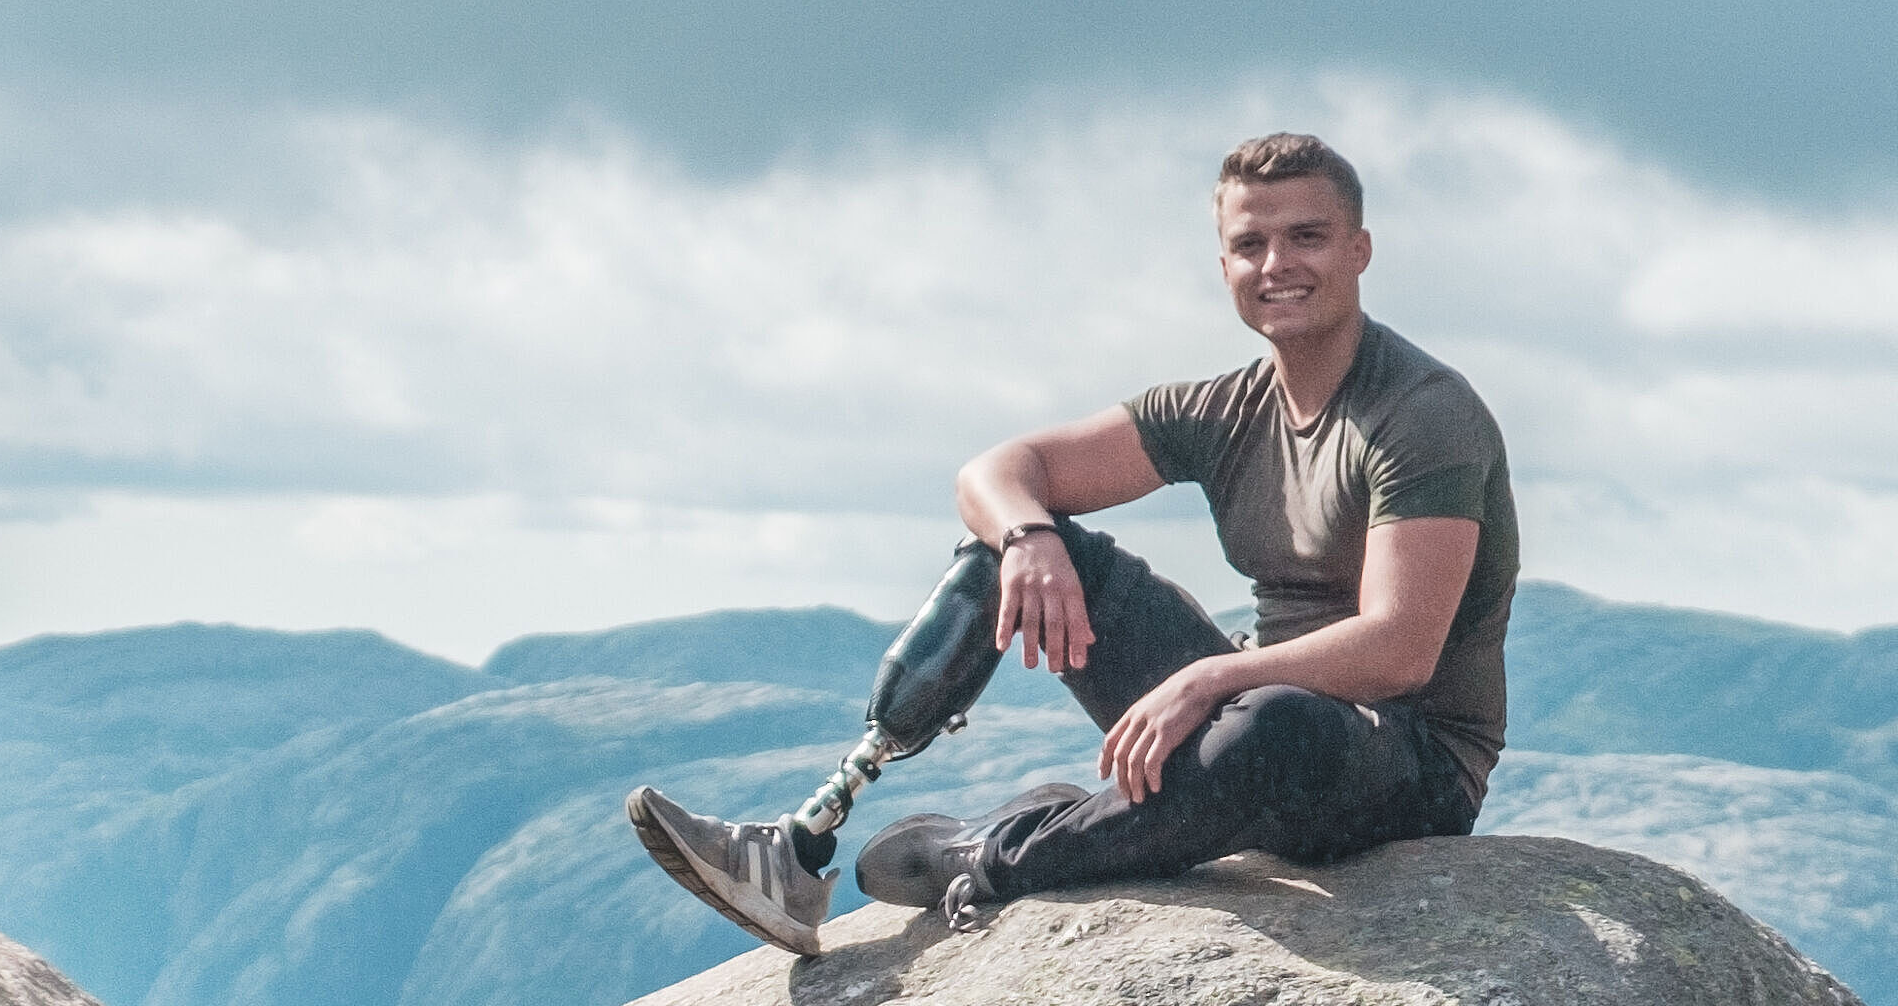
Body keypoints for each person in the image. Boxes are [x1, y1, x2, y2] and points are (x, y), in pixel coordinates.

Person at [627, 131, 1519, 957]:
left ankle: (990, 853)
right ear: (1224, 265)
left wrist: (1211, 676)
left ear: (1360, 250)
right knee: (1016, 554)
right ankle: (804, 837)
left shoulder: (1421, 415)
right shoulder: (1224, 408)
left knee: (1271, 723)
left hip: (1406, 766)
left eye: (1308, 237)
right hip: (1260, 710)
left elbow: (1401, 648)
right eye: (1252, 245)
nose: (1277, 265)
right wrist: (1027, 536)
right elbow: (998, 468)